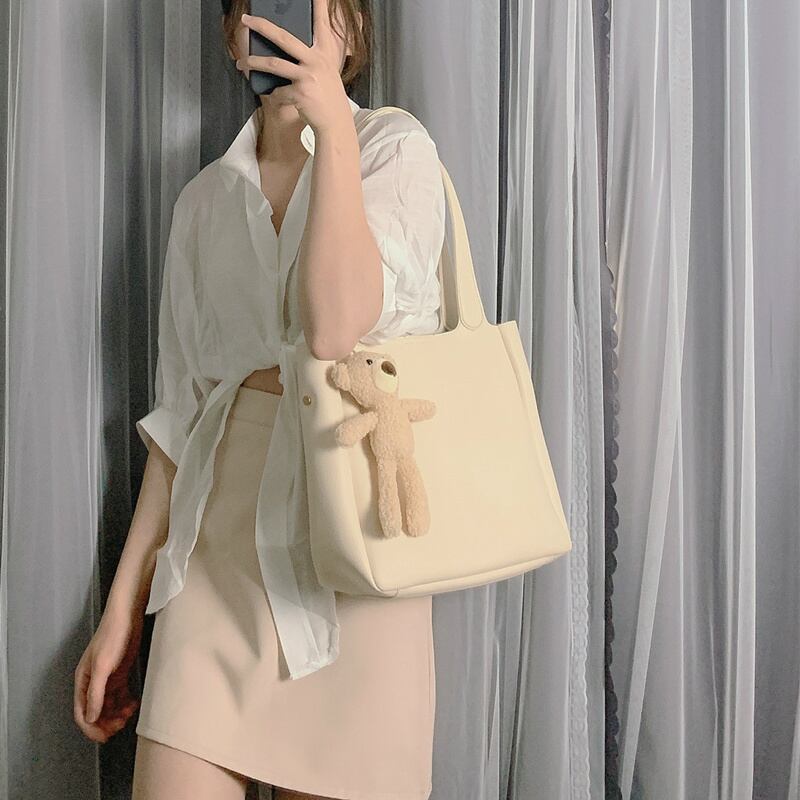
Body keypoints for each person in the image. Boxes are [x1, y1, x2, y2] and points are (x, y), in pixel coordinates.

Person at [73, 1, 446, 798]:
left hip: (353, 561)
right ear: (235, 32)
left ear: (353, 30)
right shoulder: (203, 201)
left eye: (319, 7)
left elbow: (335, 329)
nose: (292, 25)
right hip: (215, 566)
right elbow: (180, 422)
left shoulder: (394, 150)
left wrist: (333, 132)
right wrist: (121, 611)